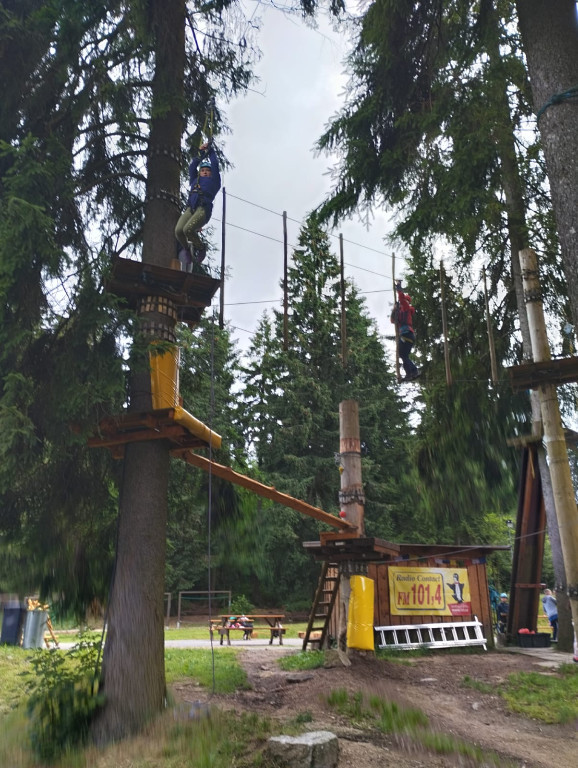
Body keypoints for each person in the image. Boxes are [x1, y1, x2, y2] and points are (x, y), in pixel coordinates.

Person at [175, 141, 221, 271]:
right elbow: (192, 167)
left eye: (208, 171)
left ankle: (201, 248)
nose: (205, 172)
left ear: (211, 174)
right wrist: (201, 153)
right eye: (203, 171)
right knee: (178, 231)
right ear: (200, 173)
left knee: (188, 229)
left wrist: (210, 151)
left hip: (203, 208)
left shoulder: (214, 182)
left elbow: (215, 165)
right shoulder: (195, 180)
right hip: (191, 208)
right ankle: (187, 250)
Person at [391, 280, 419, 380]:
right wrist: (394, 310)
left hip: (406, 334)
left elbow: (402, 299)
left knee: (402, 354)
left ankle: (412, 371)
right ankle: (412, 372)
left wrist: (399, 288)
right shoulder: (400, 312)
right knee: (403, 355)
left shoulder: (407, 308)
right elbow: (393, 321)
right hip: (406, 335)